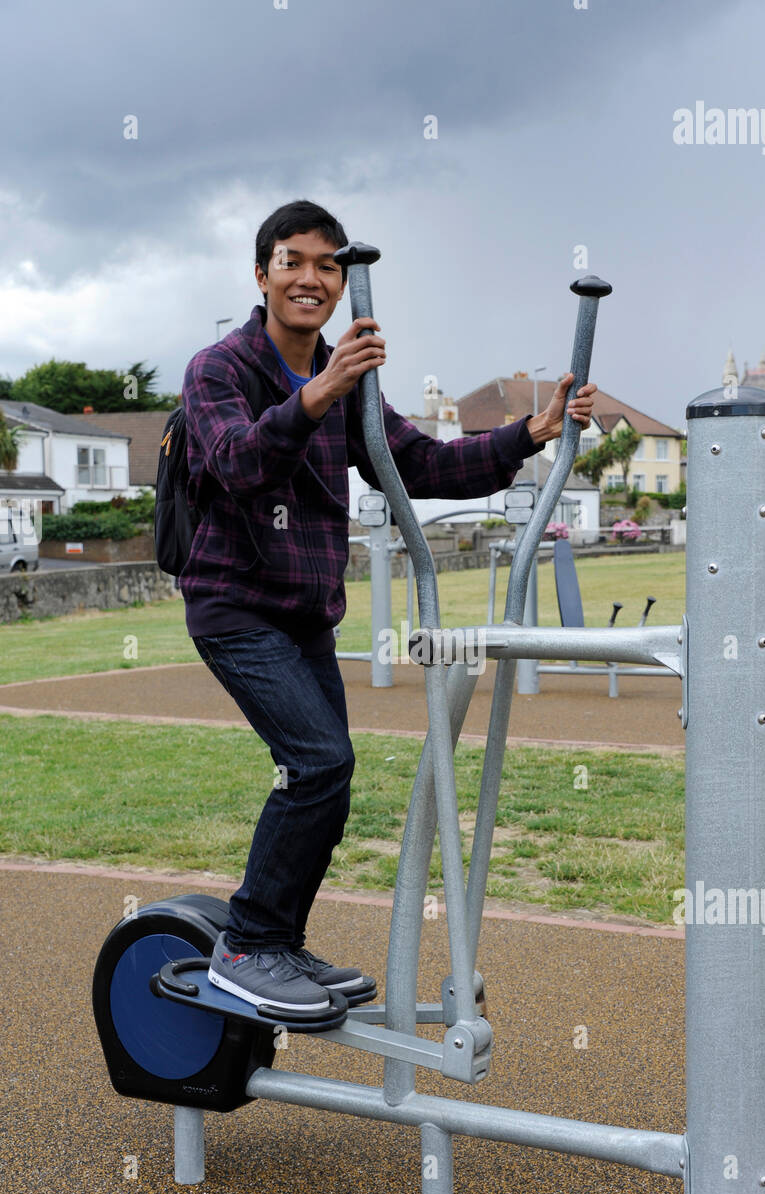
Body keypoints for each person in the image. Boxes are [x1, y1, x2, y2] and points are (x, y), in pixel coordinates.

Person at [180, 198, 597, 1018]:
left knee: (329, 775)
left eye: (326, 265)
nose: (309, 278)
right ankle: (247, 945)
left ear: (341, 283)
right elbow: (234, 464)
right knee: (320, 764)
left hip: (305, 613)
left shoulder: (349, 381)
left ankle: (277, 942)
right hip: (233, 605)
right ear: (260, 274)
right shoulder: (219, 369)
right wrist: (319, 392)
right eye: (292, 261)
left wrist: (531, 432)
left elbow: (424, 465)